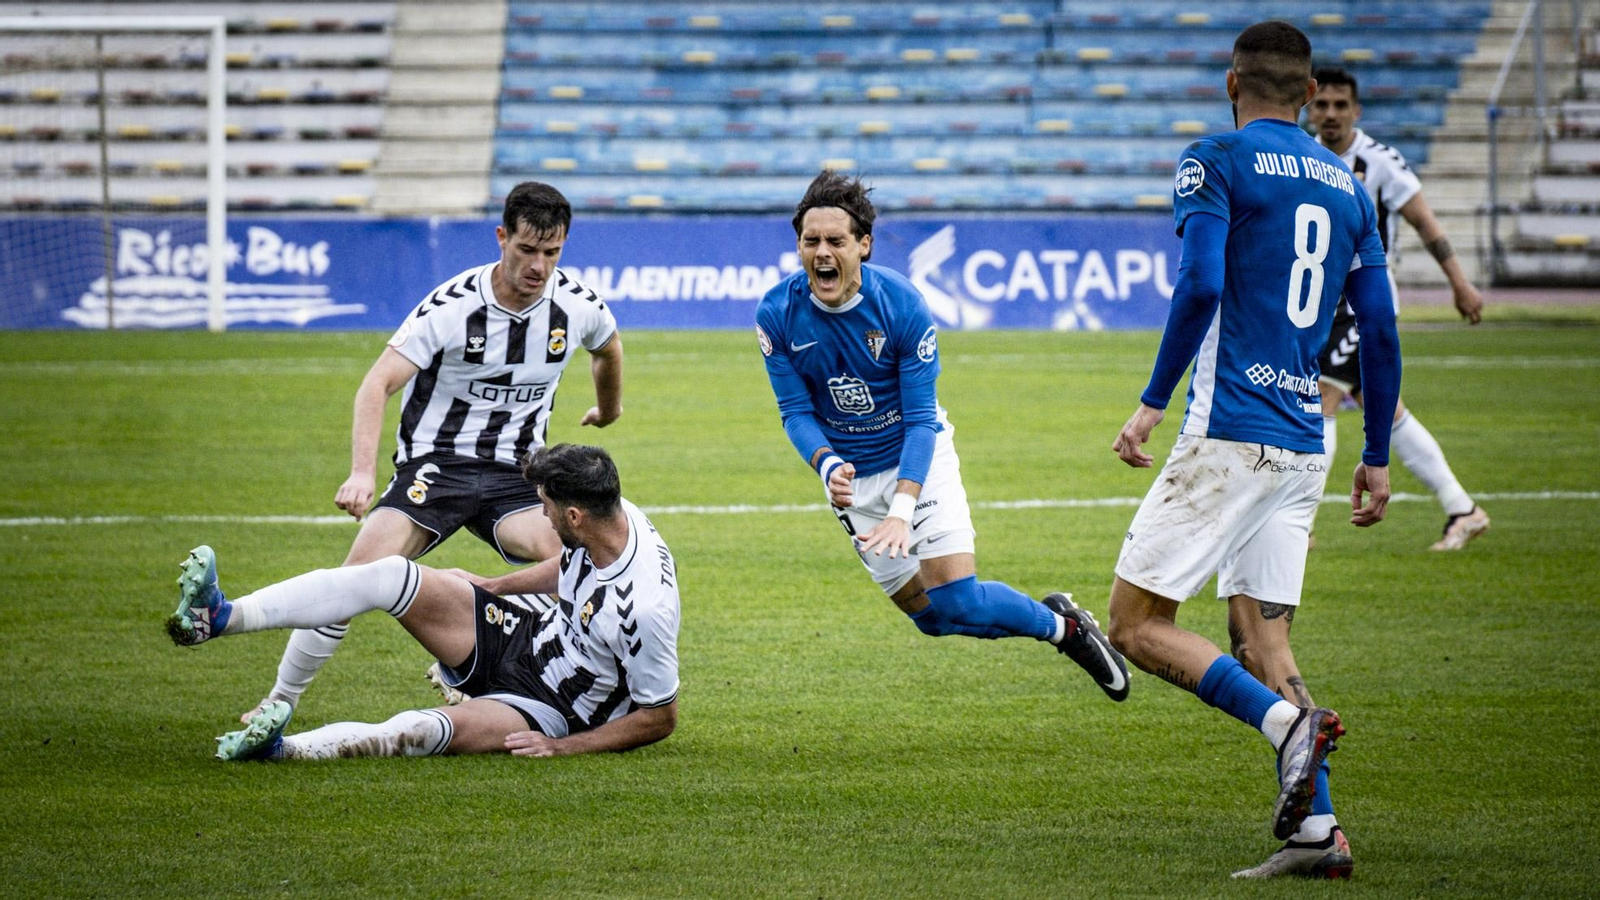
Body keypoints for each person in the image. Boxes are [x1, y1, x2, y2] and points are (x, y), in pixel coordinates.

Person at [1105, 23, 1400, 879]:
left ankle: (1287, 726)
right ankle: (1320, 834)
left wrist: (1152, 402)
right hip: (1305, 441)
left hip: (1229, 430)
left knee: (1135, 624)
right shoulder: (1348, 188)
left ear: (1232, 83)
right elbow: (1380, 329)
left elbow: (1200, 282)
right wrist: (1377, 452)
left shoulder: (1216, 159)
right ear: (1308, 95)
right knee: (1261, 643)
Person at [243, 181, 625, 722]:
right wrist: (361, 472)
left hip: (518, 471)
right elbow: (376, 385)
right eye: (527, 250)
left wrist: (608, 409)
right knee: (358, 574)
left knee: (574, 559)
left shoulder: (576, 306)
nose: (539, 266)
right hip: (436, 465)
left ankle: (492, 665)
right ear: (501, 238)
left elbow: (608, 349)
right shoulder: (452, 307)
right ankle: (278, 701)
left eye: (552, 252)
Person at [756, 170, 1129, 701]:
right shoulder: (776, 313)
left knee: (957, 599)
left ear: (864, 245)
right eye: (810, 241)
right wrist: (827, 463)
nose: (822, 253)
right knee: (932, 619)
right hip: (851, 481)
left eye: (835, 241)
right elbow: (794, 411)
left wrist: (902, 509)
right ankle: (1059, 617)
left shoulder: (901, 305)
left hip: (917, 459)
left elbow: (920, 419)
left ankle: (1065, 630)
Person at [167, 444, 678, 761]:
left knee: (423, 729)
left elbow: (660, 717)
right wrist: (494, 586)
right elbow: (569, 567)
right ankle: (221, 616)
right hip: (526, 638)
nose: (541, 515)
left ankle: (284, 750)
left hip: (552, 709)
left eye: (544, 506)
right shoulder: (611, 512)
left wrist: (562, 747)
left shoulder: (643, 609)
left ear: (573, 516)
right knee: (391, 574)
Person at [1309, 66, 1489, 550]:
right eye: (1322, 104)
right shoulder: (1304, 157)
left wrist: (1460, 284)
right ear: (1309, 107)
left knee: (1323, 396)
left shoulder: (1380, 162)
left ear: (1356, 111)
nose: (1331, 114)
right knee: (1386, 411)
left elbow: (1425, 223)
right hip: (1326, 304)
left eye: (1340, 105)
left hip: (1366, 305)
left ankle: (1299, 523)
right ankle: (1462, 508)